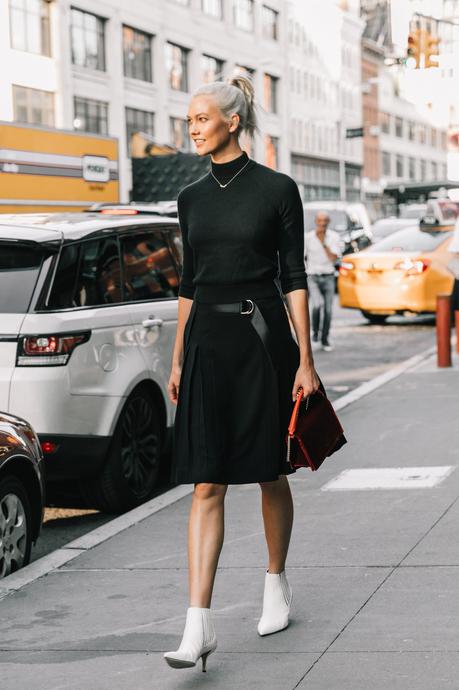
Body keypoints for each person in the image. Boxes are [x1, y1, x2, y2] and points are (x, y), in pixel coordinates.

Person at [164, 74, 320, 673]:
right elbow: (187, 282)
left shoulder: (278, 189)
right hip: (207, 341)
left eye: (200, 118)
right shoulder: (190, 197)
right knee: (207, 482)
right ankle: (197, 625)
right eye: (188, 120)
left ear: (232, 120)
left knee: (268, 472)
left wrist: (305, 359)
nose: (192, 127)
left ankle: (275, 582)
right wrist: (178, 357)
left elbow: (295, 276)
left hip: (262, 342)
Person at [304, 213, 342, 351]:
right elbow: (302, 257)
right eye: (320, 220)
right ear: (316, 221)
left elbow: (333, 258)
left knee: (328, 310)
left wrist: (323, 243)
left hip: (328, 276)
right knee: (316, 305)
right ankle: (315, 333)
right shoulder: (308, 237)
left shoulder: (334, 237)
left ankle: (325, 338)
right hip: (313, 276)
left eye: (325, 220)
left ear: (328, 222)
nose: (322, 223)